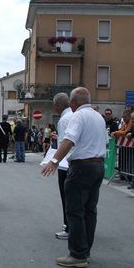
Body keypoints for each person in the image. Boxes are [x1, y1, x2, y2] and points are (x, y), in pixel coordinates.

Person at [42, 87, 107, 268]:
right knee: (89, 210)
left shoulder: (78, 116)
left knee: (75, 210)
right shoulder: (98, 116)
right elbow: (105, 141)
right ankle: (85, 251)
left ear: (72, 102)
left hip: (82, 166)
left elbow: (68, 140)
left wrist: (54, 161)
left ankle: (77, 255)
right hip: (98, 165)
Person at [52, 93, 73, 240]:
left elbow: (64, 144)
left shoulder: (64, 119)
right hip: (78, 162)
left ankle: (68, 226)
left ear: (57, 106)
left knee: (67, 197)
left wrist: (54, 161)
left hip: (66, 164)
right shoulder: (75, 115)